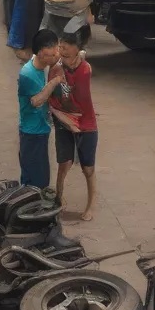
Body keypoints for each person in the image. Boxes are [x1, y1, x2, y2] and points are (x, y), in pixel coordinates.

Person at [49, 30, 99, 220]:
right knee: (64, 164)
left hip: (85, 122)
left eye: (67, 51)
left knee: (88, 168)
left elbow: (75, 100)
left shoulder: (84, 70)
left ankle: (91, 205)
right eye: (60, 49)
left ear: (77, 51)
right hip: (63, 120)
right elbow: (57, 99)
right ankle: (58, 199)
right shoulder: (56, 68)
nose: (62, 54)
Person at [18, 29, 63, 188]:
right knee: (36, 180)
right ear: (43, 53)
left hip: (41, 129)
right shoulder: (27, 74)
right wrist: (55, 81)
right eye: (54, 52)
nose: (57, 54)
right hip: (32, 133)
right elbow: (37, 101)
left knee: (40, 175)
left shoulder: (44, 64)